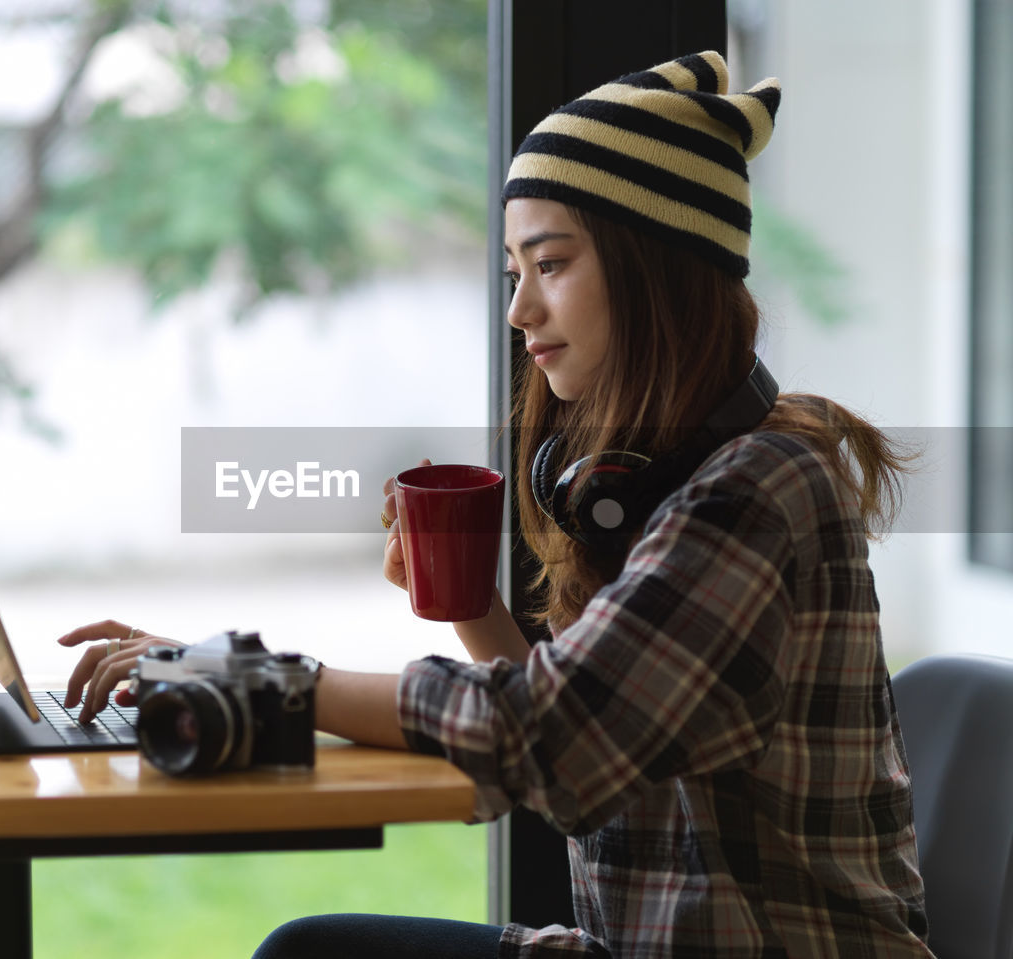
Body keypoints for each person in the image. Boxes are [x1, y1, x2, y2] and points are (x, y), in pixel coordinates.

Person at [58, 51, 932, 958]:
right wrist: (475, 609)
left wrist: (267, 679)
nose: (520, 310)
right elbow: (588, 718)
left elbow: (561, 742)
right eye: (513, 270)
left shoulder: (759, 491)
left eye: (549, 264)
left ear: (657, 269)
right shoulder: (676, 476)